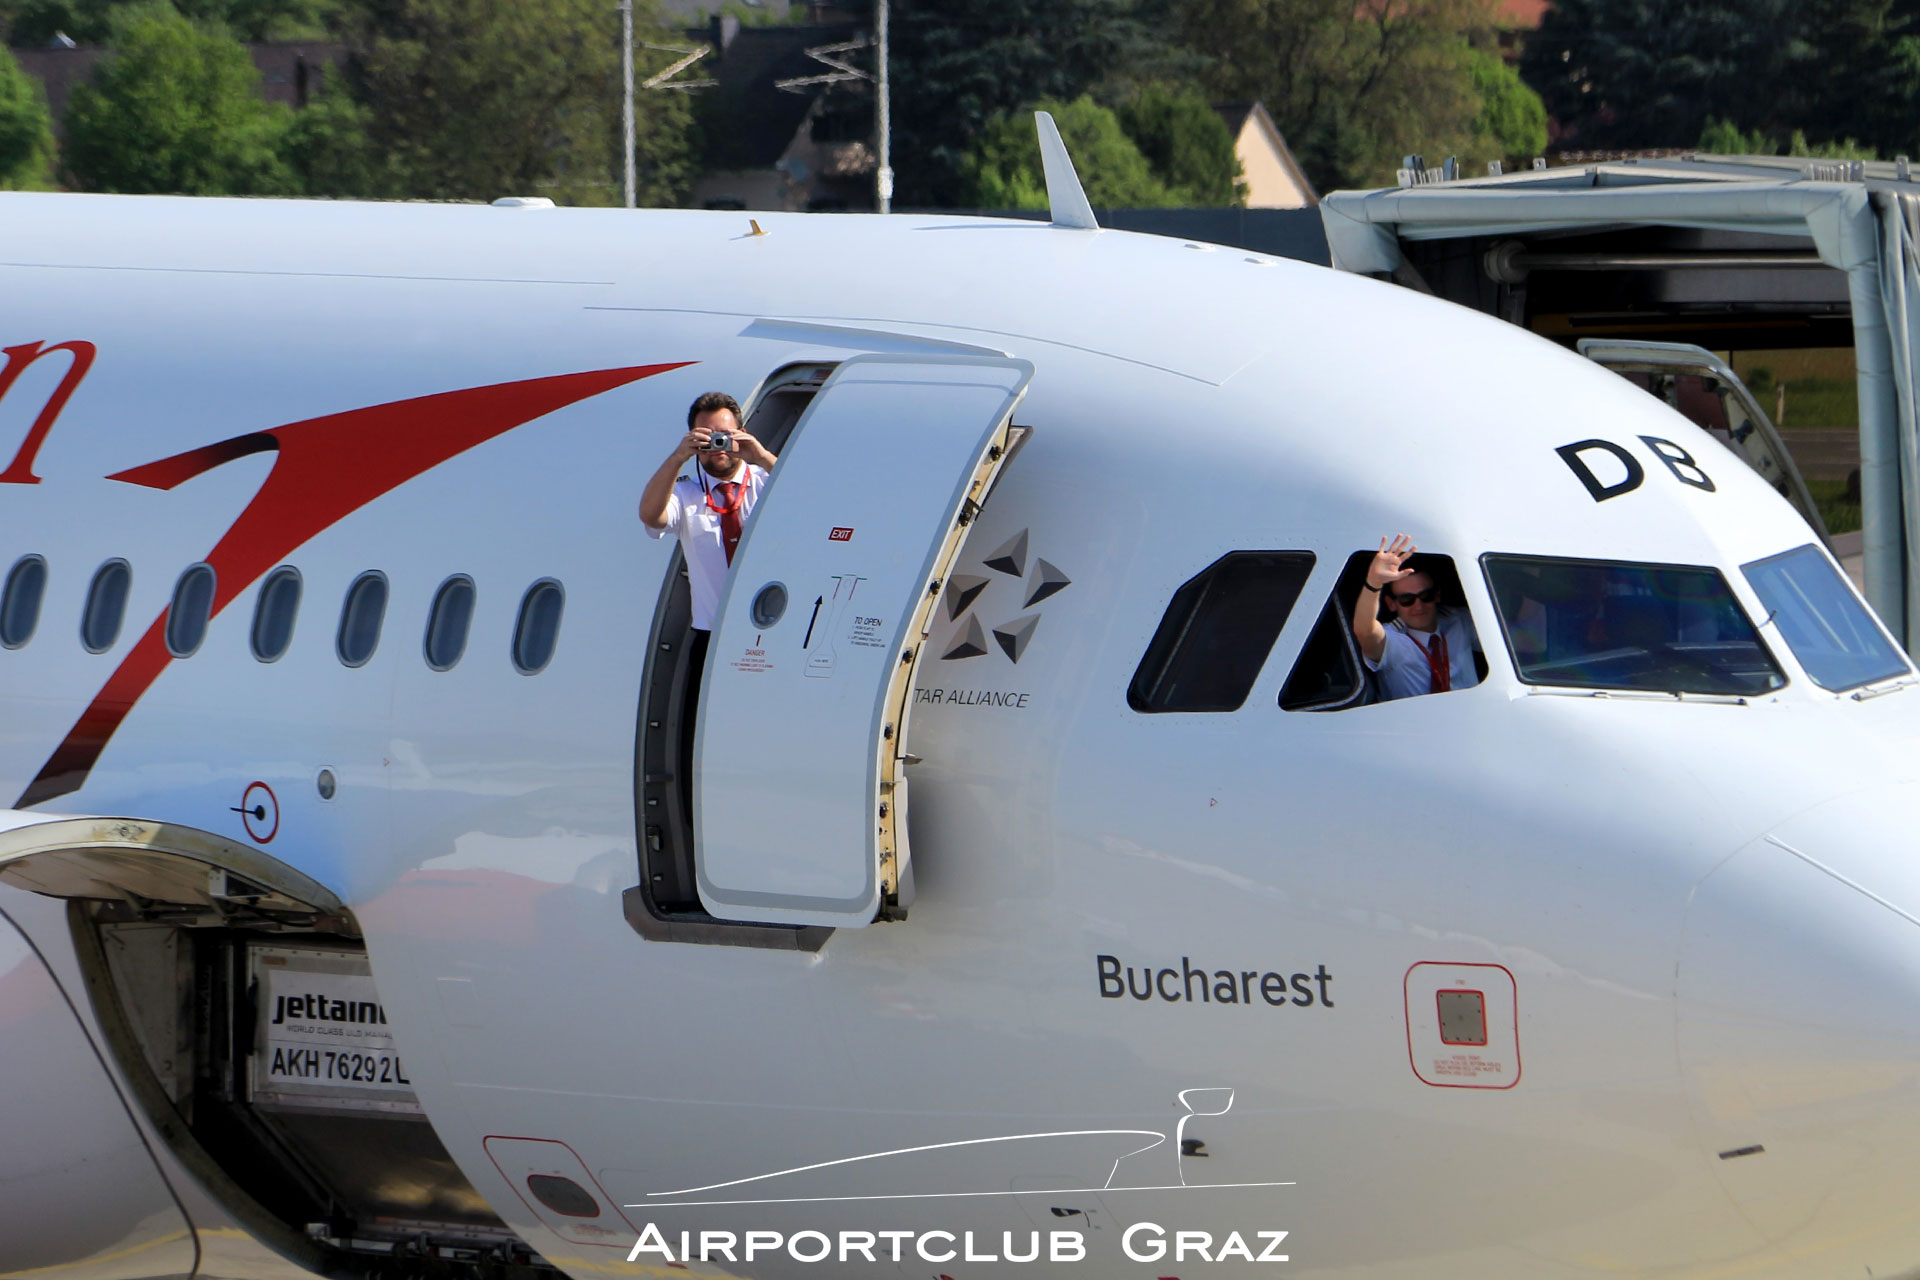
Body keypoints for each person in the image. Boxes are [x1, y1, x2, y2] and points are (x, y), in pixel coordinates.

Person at [639, 391, 778, 635]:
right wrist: (677, 458)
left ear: (741, 435)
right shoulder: (685, 494)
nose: (717, 446)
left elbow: (806, 500)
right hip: (711, 635)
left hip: (766, 629)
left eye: (723, 436)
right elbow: (651, 516)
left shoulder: (769, 481)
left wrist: (762, 456)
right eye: (707, 437)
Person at [1352, 534, 1481, 701]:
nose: (1418, 606)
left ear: (1437, 595)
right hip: (1413, 725)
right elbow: (1365, 631)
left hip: (1471, 717)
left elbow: (1516, 631)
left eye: (1425, 596)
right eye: (1407, 600)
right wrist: (1374, 582)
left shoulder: (1459, 620)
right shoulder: (1392, 640)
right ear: (1392, 604)